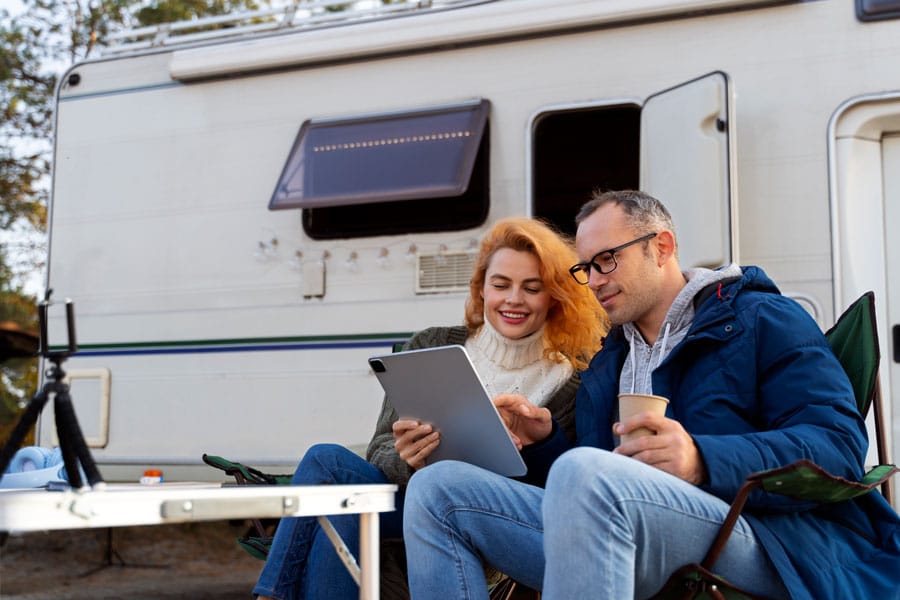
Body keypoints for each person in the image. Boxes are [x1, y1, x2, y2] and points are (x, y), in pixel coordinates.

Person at [403, 190, 900, 600]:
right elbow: (588, 484)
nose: (595, 281)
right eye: (586, 269)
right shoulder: (609, 360)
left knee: (585, 472)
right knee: (438, 489)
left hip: (762, 534)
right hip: (624, 531)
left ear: (661, 247)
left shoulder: (761, 320)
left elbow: (837, 445)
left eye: (606, 261)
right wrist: (546, 441)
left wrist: (702, 458)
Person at [253, 217, 606, 600]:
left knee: (342, 508)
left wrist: (540, 440)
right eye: (500, 285)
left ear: (554, 296)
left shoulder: (572, 377)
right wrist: (410, 458)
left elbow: (555, 489)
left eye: (531, 288)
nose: (513, 299)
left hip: (484, 513)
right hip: (408, 496)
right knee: (326, 462)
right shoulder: (432, 344)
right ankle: (271, 594)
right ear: (482, 289)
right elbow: (380, 449)